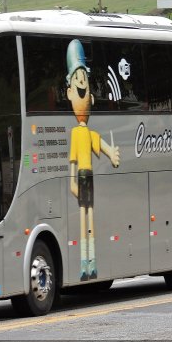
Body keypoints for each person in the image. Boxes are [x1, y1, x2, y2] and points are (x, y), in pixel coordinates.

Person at [66, 39, 120, 281]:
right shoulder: (77, 134)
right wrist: (72, 185)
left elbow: (104, 146)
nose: (82, 88)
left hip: (88, 178)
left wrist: (112, 153)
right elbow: (73, 166)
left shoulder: (88, 133)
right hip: (82, 178)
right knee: (83, 221)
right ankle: (84, 263)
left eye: (85, 84)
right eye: (78, 82)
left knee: (90, 222)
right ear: (69, 93)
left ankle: (92, 262)